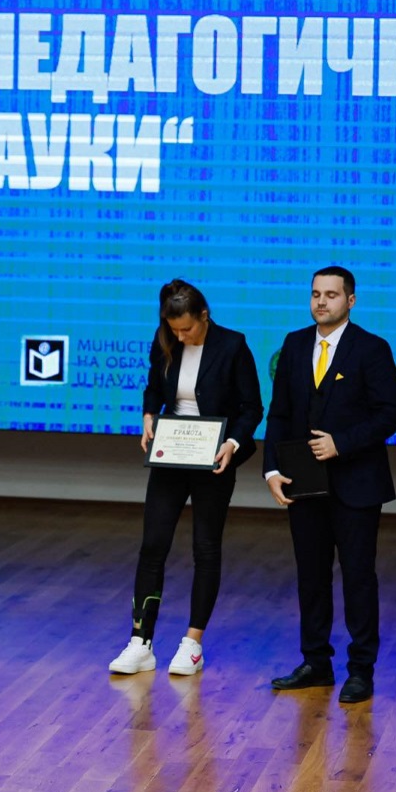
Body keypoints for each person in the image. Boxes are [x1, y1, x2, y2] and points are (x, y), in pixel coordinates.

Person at [108, 279, 264, 676]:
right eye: (174, 330)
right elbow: (153, 388)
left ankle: (192, 644)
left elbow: (252, 407)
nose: (180, 337)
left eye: (187, 329)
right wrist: (148, 415)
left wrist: (232, 443)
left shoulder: (233, 345)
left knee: (205, 547)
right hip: (172, 452)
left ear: (204, 316)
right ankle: (140, 642)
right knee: (152, 545)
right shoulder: (165, 339)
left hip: (214, 456)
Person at [263, 266, 396, 704]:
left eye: (331, 295)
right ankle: (316, 663)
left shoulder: (372, 348)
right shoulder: (294, 344)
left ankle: (360, 670)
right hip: (304, 484)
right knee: (311, 577)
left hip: (357, 483)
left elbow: (390, 414)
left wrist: (341, 443)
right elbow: (279, 413)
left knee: (358, 578)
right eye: (315, 294)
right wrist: (271, 470)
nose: (321, 302)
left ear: (351, 301)